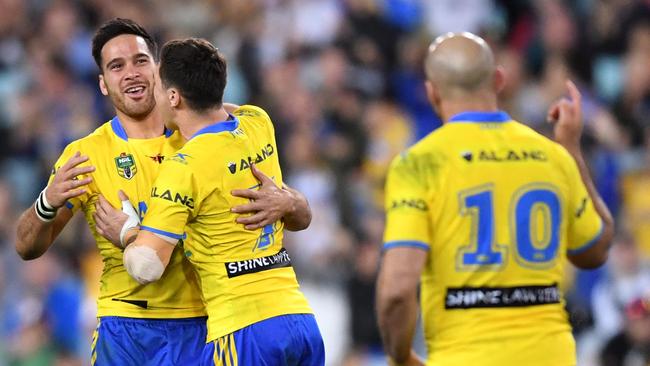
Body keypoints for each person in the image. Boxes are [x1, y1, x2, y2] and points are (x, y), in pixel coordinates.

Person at [15, 18, 311, 365]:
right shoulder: (86, 156)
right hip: (127, 328)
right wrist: (47, 202)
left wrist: (288, 201)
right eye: (116, 66)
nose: (131, 73)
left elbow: (300, 216)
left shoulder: (211, 129)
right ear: (103, 84)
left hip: (205, 327)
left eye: (140, 61)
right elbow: (26, 247)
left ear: (158, 71)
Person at [376, 32, 614, 366]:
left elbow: (397, 291)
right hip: (551, 356)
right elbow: (597, 247)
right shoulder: (551, 156)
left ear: (431, 92)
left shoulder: (419, 163)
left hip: (466, 356)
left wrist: (400, 356)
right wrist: (572, 151)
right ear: (499, 79)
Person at [119, 38, 324, 365]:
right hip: (299, 321)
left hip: (243, 330)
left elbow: (146, 266)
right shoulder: (258, 123)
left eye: (159, 87)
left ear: (174, 96)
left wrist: (128, 231)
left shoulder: (185, 167)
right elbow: (224, 112)